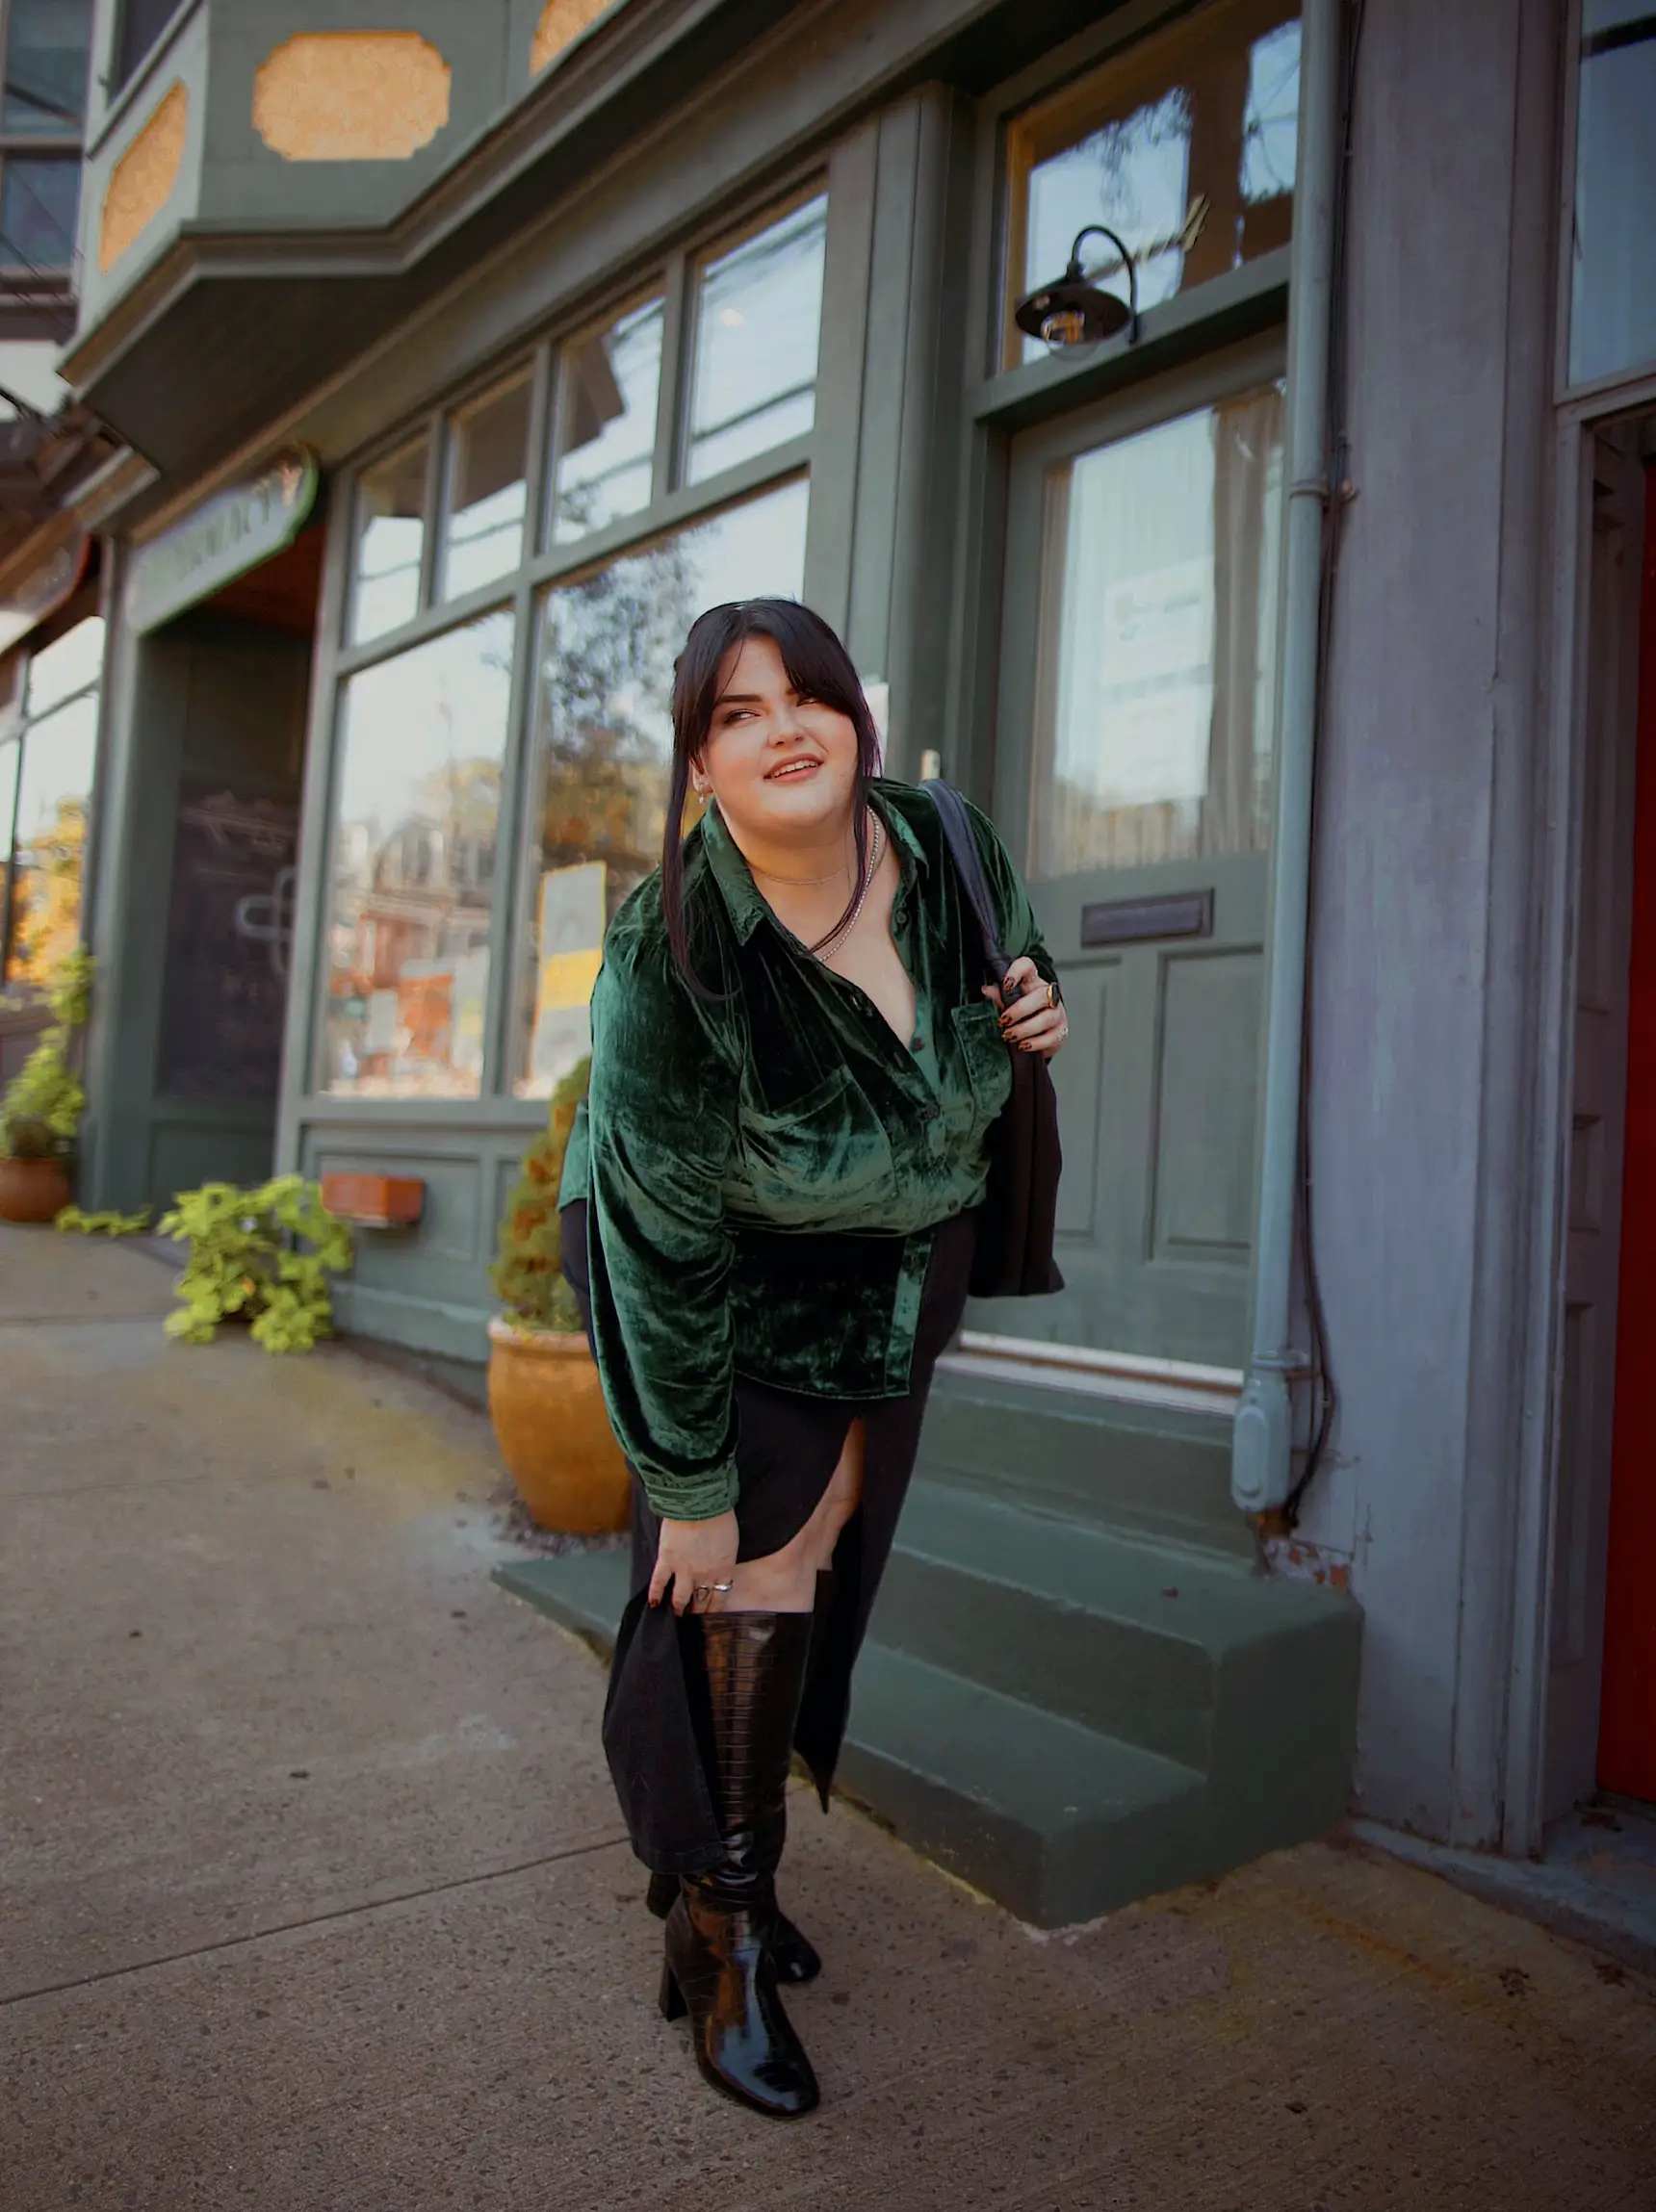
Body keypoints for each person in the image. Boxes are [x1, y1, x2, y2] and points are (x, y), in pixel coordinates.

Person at [556, 599, 1068, 2119]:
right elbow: (656, 1241)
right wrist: (690, 1480)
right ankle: (719, 1930)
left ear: (853, 717)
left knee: (829, 1544)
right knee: (742, 1560)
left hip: (898, 1271)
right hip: (713, 1277)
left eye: (807, 698)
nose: (782, 729)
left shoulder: (950, 845)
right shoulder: (672, 945)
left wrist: (1033, 1004)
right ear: (701, 765)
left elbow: (1008, 993)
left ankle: (730, 1889)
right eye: (735, 711)